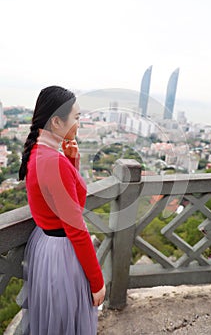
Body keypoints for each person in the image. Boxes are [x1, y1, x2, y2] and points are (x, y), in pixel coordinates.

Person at [18, 86, 106, 335]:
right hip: (63, 253)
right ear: (57, 121)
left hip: (46, 248)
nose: (79, 123)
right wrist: (97, 282)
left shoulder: (39, 152)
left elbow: (60, 201)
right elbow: (76, 228)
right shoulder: (52, 161)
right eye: (76, 117)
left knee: (54, 322)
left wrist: (71, 162)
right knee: (68, 323)